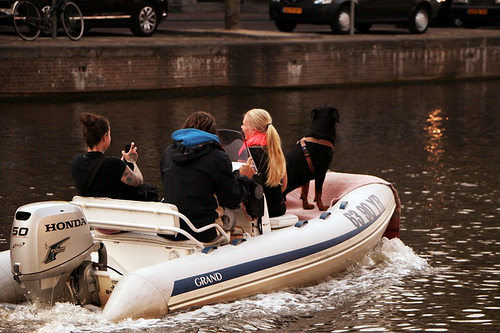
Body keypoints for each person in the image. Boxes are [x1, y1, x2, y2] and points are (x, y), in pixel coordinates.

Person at [160, 111, 254, 243]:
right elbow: (232, 200)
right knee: (238, 232)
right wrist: (245, 177)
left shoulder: (168, 153)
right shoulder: (216, 156)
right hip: (204, 232)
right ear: (212, 132)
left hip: (172, 230)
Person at [72, 112, 144, 200]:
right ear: (105, 136)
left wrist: (122, 163)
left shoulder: (77, 161)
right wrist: (132, 161)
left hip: (87, 210)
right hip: (110, 211)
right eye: (109, 134)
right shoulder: (114, 164)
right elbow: (138, 181)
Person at [241, 108, 287, 217]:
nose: (241, 127)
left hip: (257, 212)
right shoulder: (275, 149)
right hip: (278, 208)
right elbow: (284, 185)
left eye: (243, 124)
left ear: (254, 130)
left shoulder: (248, 153)